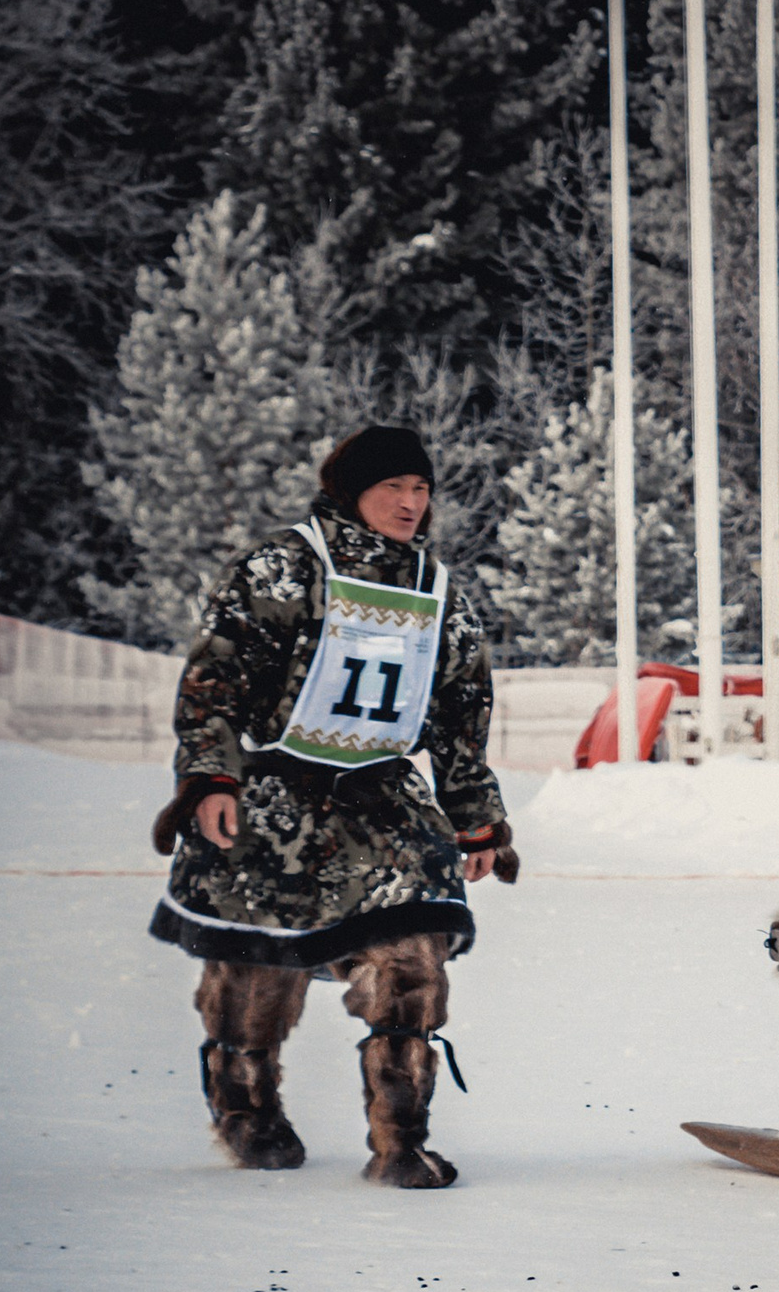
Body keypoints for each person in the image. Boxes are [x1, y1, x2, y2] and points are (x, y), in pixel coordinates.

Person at [148, 426, 517, 1188]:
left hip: (379, 794)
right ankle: (247, 1112)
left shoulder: (437, 589)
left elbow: (459, 710)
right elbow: (213, 678)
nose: (412, 503)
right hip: (274, 791)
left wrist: (475, 814)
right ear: (354, 492)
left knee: (416, 950)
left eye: (422, 489)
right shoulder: (282, 567)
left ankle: (400, 1140)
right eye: (394, 489)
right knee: (256, 968)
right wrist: (210, 778)